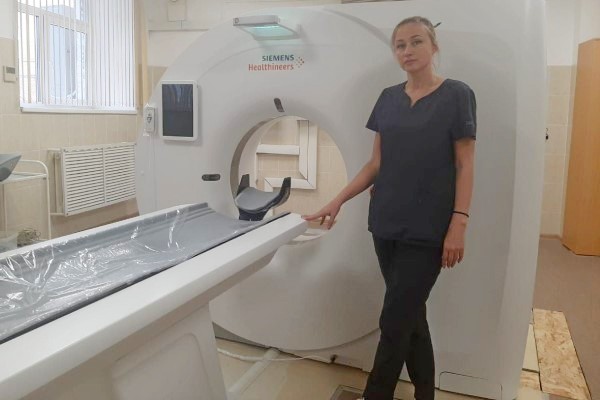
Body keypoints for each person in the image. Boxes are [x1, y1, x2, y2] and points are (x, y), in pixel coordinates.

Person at [303, 16, 476, 400]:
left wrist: (459, 223)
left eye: (416, 42)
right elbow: (375, 164)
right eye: (400, 45)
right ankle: (425, 394)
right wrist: (337, 199)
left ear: (434, 46)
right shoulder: (387, 97)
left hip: (429, 228)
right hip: (385, 224)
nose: (407, 50)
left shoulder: (457, 95)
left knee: (394, 321)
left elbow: (465, 164)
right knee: (411, 317)